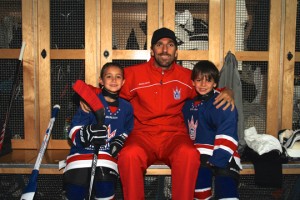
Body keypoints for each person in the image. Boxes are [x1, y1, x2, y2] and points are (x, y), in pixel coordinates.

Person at [82, 27, 235, 200]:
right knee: (128, 155)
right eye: (159, 45)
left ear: (176, 52)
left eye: (170, 45)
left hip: (174, 135)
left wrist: (228, 91)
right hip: (142, 135)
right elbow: (107, 88)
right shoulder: (133, 74)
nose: (164, 49)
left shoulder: (187, 77)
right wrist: (87, 96)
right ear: (152, 50)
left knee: (189, 154)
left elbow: (208, 89)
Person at [63, 62, 134, 200]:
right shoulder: (90, 102)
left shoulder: (127, 107)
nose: (114, 80)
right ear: (101, 81)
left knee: (105, 182)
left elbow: (129, 130)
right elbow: (74, 130)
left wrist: (122, 139)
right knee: (77, 183)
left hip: (107, 159)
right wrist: (85, 134)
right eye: (109, 76)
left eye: (118, 77)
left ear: (123, 81)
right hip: (81, 156)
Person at [182, 60, 242, 200]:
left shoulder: (223, 102)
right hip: (200, 156)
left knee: (227, 192)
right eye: (198, 80)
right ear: (193, 82)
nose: (203, 85)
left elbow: (228, 130)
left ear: (215, 83)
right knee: (200, 193)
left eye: (208, 80)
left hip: (224, 156)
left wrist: (219, 159)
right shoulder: (188, 105)